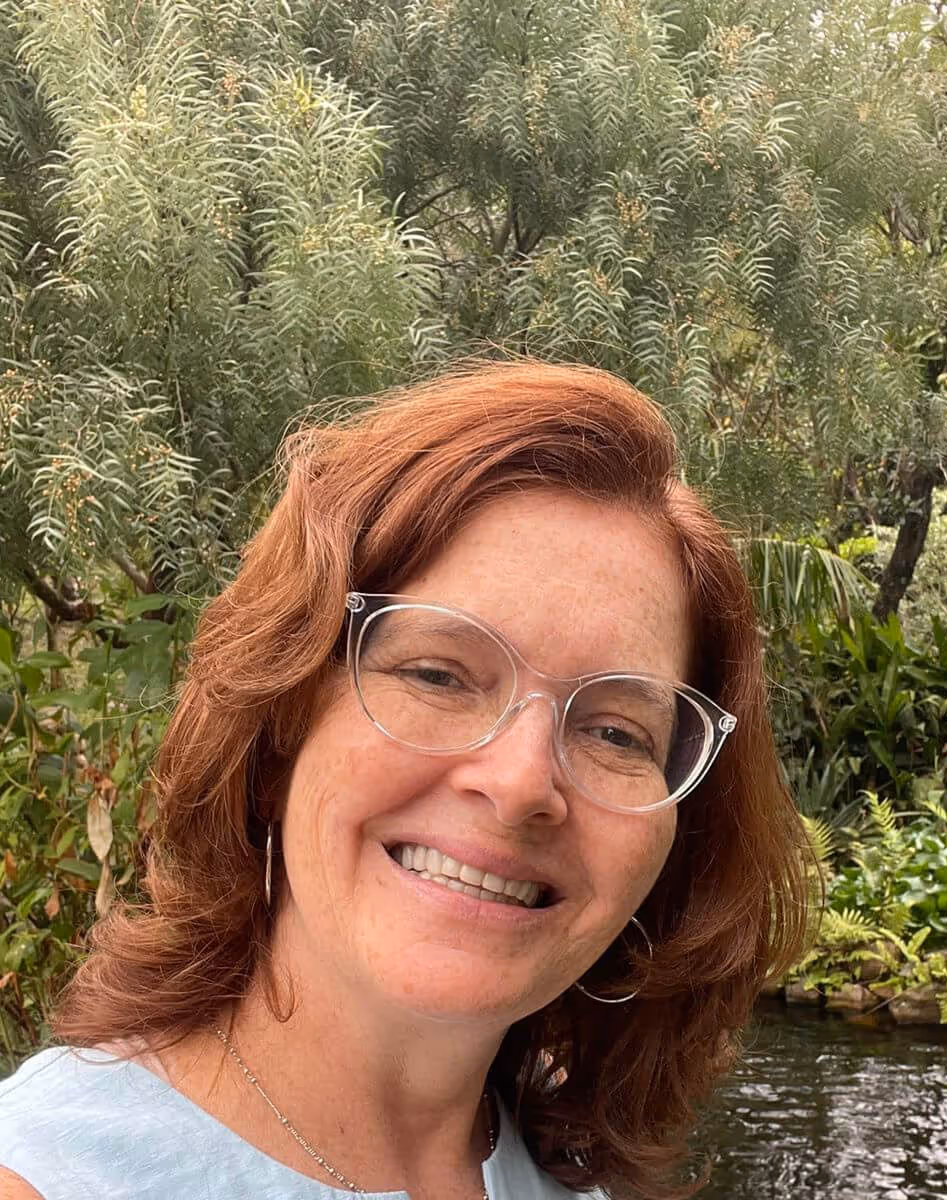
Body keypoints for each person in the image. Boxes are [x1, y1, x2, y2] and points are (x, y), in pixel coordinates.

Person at [0, 361, 812, 1200]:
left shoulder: (566, 1180)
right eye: (436, 675)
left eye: (615, 732)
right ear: (279, 725)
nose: (522, 781)